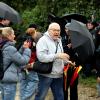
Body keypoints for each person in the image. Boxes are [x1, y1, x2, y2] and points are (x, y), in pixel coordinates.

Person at [34, 22, 70, 100]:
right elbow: (41, 57)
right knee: (40, 97)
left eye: (58, 30)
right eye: (54, 30)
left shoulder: (59, 40)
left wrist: (66, 61)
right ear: (49, 30)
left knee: (60, 97)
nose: (57, 32)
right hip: (46, 75)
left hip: (58, 75)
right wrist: (57, 55)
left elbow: (59, 56)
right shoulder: (43, 40)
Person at [0, 27, 31, 100]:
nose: (14, 36)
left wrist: (22, 48)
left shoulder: (3, 46)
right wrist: (27, 49)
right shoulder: (10, 48)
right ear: (8, 36)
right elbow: (23, 61)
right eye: (13, 34)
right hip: (9, 81)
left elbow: (14, 58)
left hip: (3, 78)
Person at [20, 24, 42, 100]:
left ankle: (23, 98)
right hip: (29, 65)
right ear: (35, 30)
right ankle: (24, 99)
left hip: (22, 63)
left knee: (24, 82)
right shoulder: (33, 40)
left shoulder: (23, 38)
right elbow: (32, 54)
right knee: (34, 80)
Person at [62, 23, 79, 100]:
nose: (67, 30)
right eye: (66, 29)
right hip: (65, 65)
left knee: (74, 86)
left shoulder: (77, 39)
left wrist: (74, 46)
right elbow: (61, 50)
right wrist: (67, 47)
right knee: (65, 86)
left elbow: (80, 52)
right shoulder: (63, 38)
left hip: (75, 65)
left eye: (69, 29)